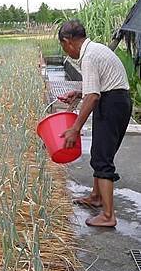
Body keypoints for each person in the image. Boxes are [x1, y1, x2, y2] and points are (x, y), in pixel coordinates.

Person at [57, 19, 132, 227]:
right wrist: (79, 93)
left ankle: (108, 216)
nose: (65, 51)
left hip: (112, 104)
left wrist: (75, 128)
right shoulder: (95, 49)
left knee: (102, 159)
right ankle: (97, 197)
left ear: (68, 41)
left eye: (63, 47)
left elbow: (93, 97)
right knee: (101, 153)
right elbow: (95, 89)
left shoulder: (89, 57)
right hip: (115, 101)